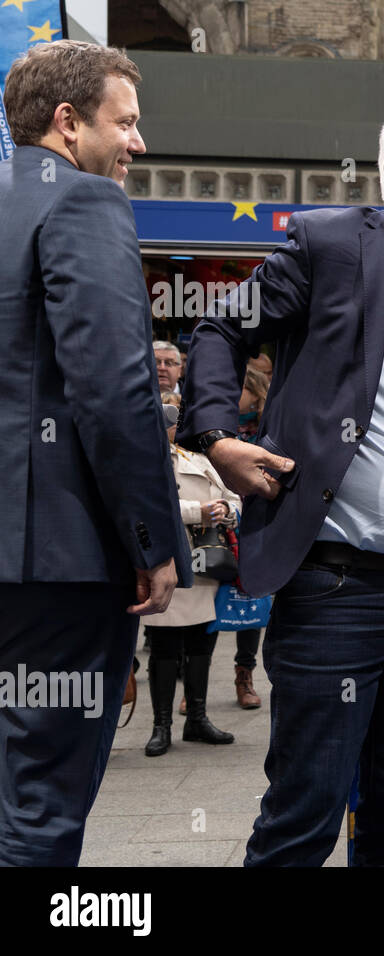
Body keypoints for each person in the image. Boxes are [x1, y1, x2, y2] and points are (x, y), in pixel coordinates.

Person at [178, 94, 384, 866]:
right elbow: (218, 327)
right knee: (306, 813)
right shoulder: (328, 243)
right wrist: (217, 437)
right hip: (335, 589)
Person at [0, 40, 191, 866]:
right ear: (68, 124)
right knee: (40, 800)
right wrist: (153, 542)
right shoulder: (85, 204)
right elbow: (116, 394)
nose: (138, 144)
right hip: (58, 567)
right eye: (128, 122)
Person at [144, 393, 241, 756]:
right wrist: (199, 511)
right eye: (169, 420)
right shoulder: (150, 460)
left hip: (208, 560)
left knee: (202, 644)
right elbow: (153, 505)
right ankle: (161, 725)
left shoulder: (203, 458)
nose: (174, 426)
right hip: (169, 560)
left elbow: (235, 496)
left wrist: (226, 510)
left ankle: (196, 719)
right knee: (165, 648)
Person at [233, 365, 270, 708]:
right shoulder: (217, 425)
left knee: (249, 603)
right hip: (217, 523)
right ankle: (192, 689)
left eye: (238, 387)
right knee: (207, 605)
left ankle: (245, 674)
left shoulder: (268, 427)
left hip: (254, 524)